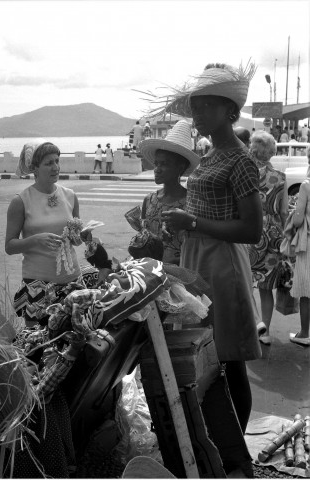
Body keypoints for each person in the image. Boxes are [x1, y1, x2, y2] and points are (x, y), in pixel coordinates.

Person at [160, 62, 263, 436]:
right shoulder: (212, 155)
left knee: (229, 360)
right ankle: (219, 443)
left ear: (230, 111)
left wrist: (192, 223)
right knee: (205, 355)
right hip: (198, 260)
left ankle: (238, 456)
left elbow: (253, 230)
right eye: (195, 105)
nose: (197, 113)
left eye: (206, 105)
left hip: (222, 265)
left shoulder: (240, 159)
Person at [5, 141, 81, 326]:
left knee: (73, 342)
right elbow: (9, 246)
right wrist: (35, 240)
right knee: (38, 344)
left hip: (71, 281)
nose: (55, 167)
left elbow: (75, 239)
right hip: (37, 284)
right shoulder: (21, 201)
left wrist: (82, 236)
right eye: (48, 163)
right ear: (35, 168)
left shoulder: (70, 195)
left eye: (57, 161)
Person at [138, 120, 200, 265]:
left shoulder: (191, 202)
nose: (157, 169)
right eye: (156, 163)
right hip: (150, 274)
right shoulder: (149, 200)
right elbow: (143, 238)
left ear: (181, 167)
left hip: (180, 275)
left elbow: (196, 246)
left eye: (164, 164)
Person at [247, 131, 288, 345]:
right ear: (272, 152)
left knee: (245, 284)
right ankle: (266, 332)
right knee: (266, 288)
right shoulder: (281, 177)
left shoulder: (246, 175)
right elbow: (283, 212)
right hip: (273, 235)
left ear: (252, 150)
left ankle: (251, 326)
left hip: (248, 231)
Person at [288, 147, 310, 346]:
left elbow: (298, 220)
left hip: (308, 243)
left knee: (306, 289)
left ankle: (304, 333)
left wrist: (294, 211)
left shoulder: (306, 185)